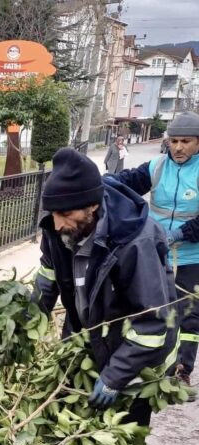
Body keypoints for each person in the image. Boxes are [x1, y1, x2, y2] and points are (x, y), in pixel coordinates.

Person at [34, 148, 178, 426]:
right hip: (91, 337)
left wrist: (115, 377)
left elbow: (153, 323)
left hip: (138, 359)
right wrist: (25, 323)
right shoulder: (59, 230)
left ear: (92, 206)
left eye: (65, 213)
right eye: (53, 212)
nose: (57, 222)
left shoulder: (135, 242)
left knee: (121, 437)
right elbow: (47, 278)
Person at [105, 111, 199, 386]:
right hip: (158, 253)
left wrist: (181, 233)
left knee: (189, 315)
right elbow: (128, 180)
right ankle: (153, 363)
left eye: (186, 141)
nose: (178, 147)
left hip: (193, 256)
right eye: (174, 141)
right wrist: (104, 181)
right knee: (154, 308)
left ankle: (182, 368)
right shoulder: (157, 167)